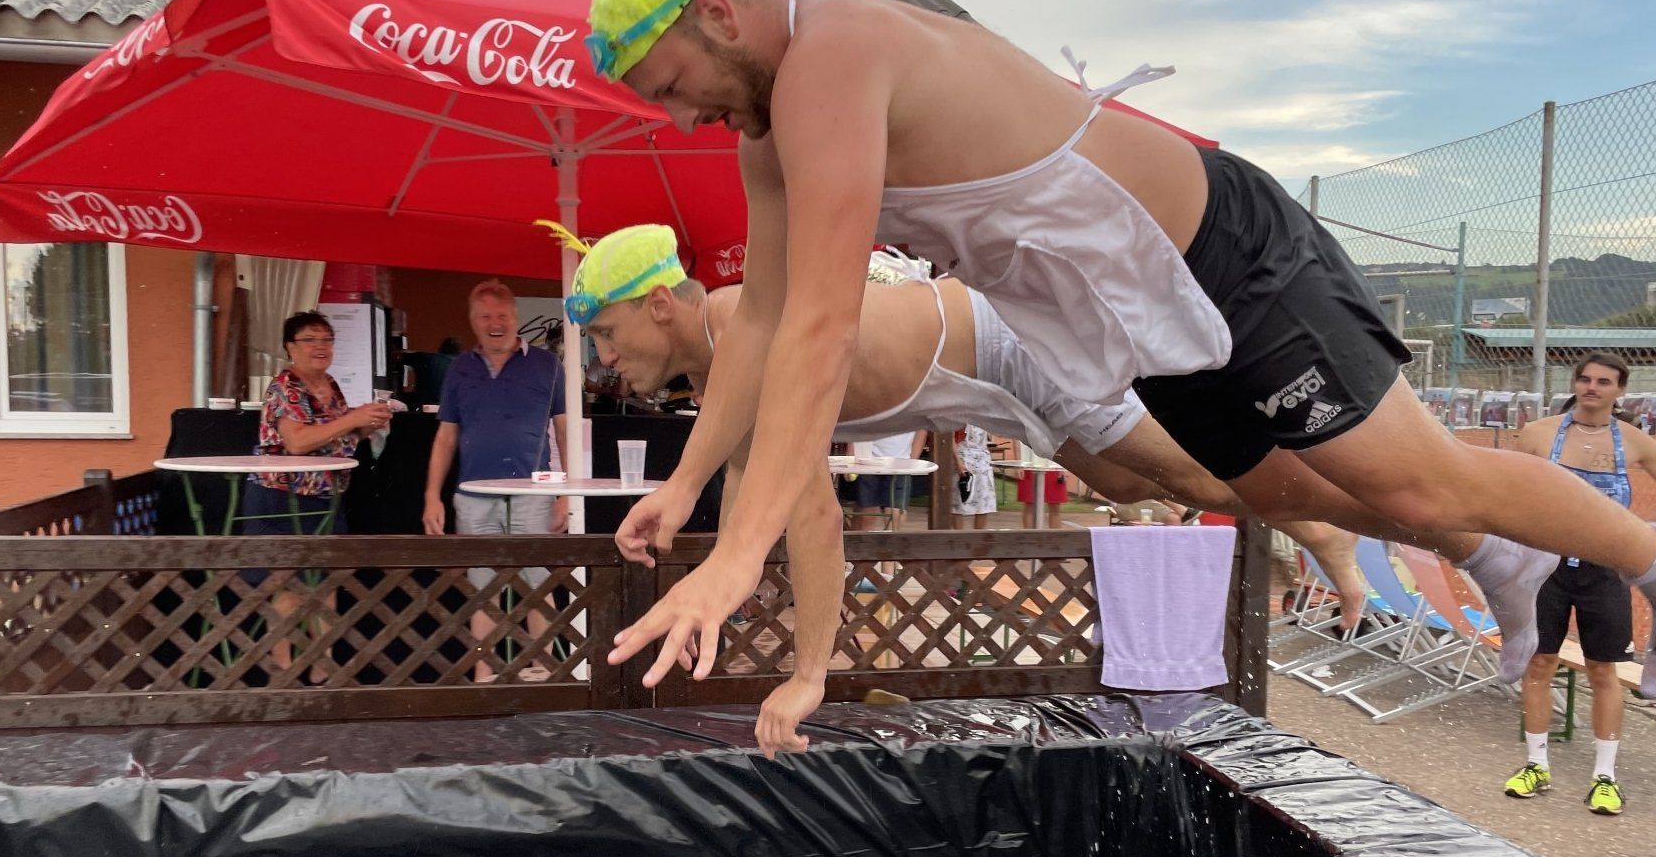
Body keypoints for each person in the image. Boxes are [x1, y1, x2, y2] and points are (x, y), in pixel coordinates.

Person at [585, 0, 1656, 707]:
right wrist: (686, 488)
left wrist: (740, 556)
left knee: (1413, 478)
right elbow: (762, 325)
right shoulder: (769, 140)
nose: (681, 117)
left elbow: (822, 332)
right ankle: (1505, 565)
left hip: (1221, 252)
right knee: (1273, 493)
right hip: (1128, 312)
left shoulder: (833, 57)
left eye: (671, 86)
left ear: (719, 16)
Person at [565, 225, 1370, 751]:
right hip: (971, 376)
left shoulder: (744, 323)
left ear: (660, 304)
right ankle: (1278, 473)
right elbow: (752, 498)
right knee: (1124, 481)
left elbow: (813, 520)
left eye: (604, 332)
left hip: (1000, 339)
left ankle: (1326, 518)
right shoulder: (721, 374)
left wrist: (810, 676)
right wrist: (711, 591)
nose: (603, 360)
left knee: (1177, 471)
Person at [1504, 353, 1656, 816]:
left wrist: (1632, 526)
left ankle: (1605, 777)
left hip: (1604, 570)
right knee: (1539, 663)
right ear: (1575, 384)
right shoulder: (1538, 434)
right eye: (1585, 379)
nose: (1592, 388)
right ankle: (1535, 765)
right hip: (1546, 566)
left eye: (1603, 382)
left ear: (1620, 391)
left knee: (1603, 671)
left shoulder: (1634, 441)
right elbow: (1504, 485)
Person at [422, 280, 569, 683]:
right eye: (485, 317)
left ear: (515, 318)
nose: (495, 324)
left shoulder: (547, 365)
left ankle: (545, 673)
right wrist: (432, 496)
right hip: (474, 496)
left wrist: (565, 495)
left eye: (502, 315)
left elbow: (564, 432)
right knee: (483, 592)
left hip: (534, 492)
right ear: (473, 322)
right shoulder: (460, 368)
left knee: (538, 586)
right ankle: (484, 677)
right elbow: (445, 436)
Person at [248, 310, 393, 681]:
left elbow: (335, 437)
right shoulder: (285, 386)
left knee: (326, 582)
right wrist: (353, 418)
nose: (320, 346)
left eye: (327, 339)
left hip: (327, 497)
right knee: (288, 585)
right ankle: (283, 673)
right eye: (310, 340)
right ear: (290, 348)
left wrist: (366, 425)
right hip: (284, 496)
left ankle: (322, 671)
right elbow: (297, 442)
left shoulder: (329, 384)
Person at [955, 425, 996, 529]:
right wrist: (957, 461)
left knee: (983, 503)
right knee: (958, 502)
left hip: (982, 459)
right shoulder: (957, 416)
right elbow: (950, 436)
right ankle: (958, 536)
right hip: (962, 456)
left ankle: (978, 536)